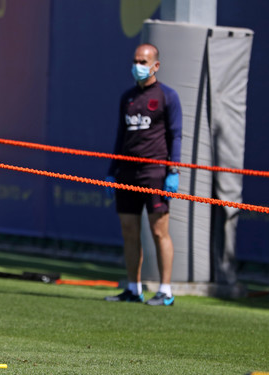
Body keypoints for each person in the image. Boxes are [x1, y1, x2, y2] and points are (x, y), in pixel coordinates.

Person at [104, 43, 182, 306]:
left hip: (155, 171)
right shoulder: (127, 97)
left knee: (159, 231)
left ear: (155, 65)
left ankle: (166, 290)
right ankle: (133, 288)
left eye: (144, 61)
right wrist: (111, 172)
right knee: (129, 230)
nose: (138, 66)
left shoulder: (167, 96)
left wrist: (174, 170)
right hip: (126, 172)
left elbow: (176, 135)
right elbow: (119, 135)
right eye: (136, 60)